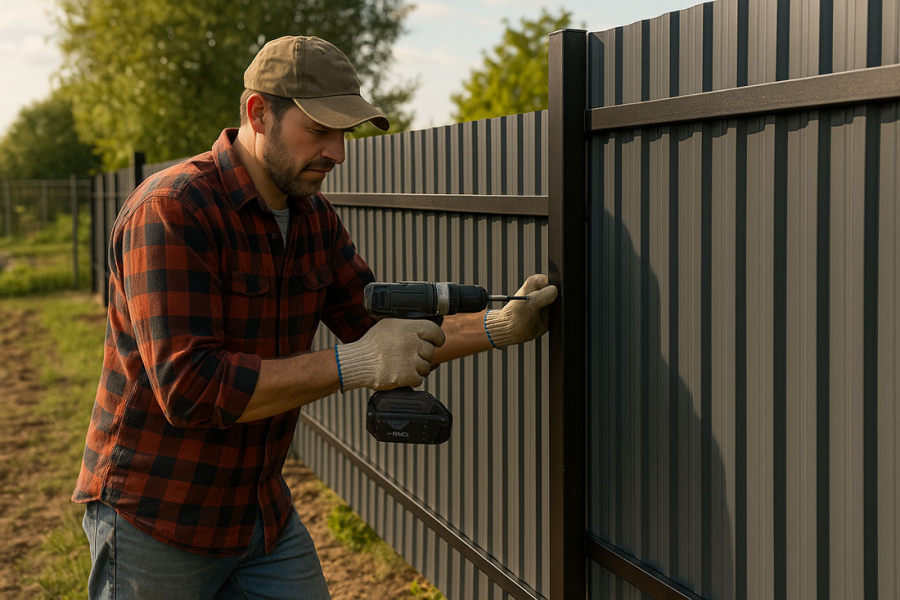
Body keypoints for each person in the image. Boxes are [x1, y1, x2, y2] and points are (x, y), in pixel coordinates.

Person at [73, 35, 557, 599]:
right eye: (320, 130)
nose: (338, 153)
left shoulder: (311, 217)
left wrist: (499, 327)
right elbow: (190, 388)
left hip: (258, 511)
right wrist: (352, 364)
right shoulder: (172, 209)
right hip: (156, 516)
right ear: (259, 112)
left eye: (344, 133)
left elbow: (379, 332)